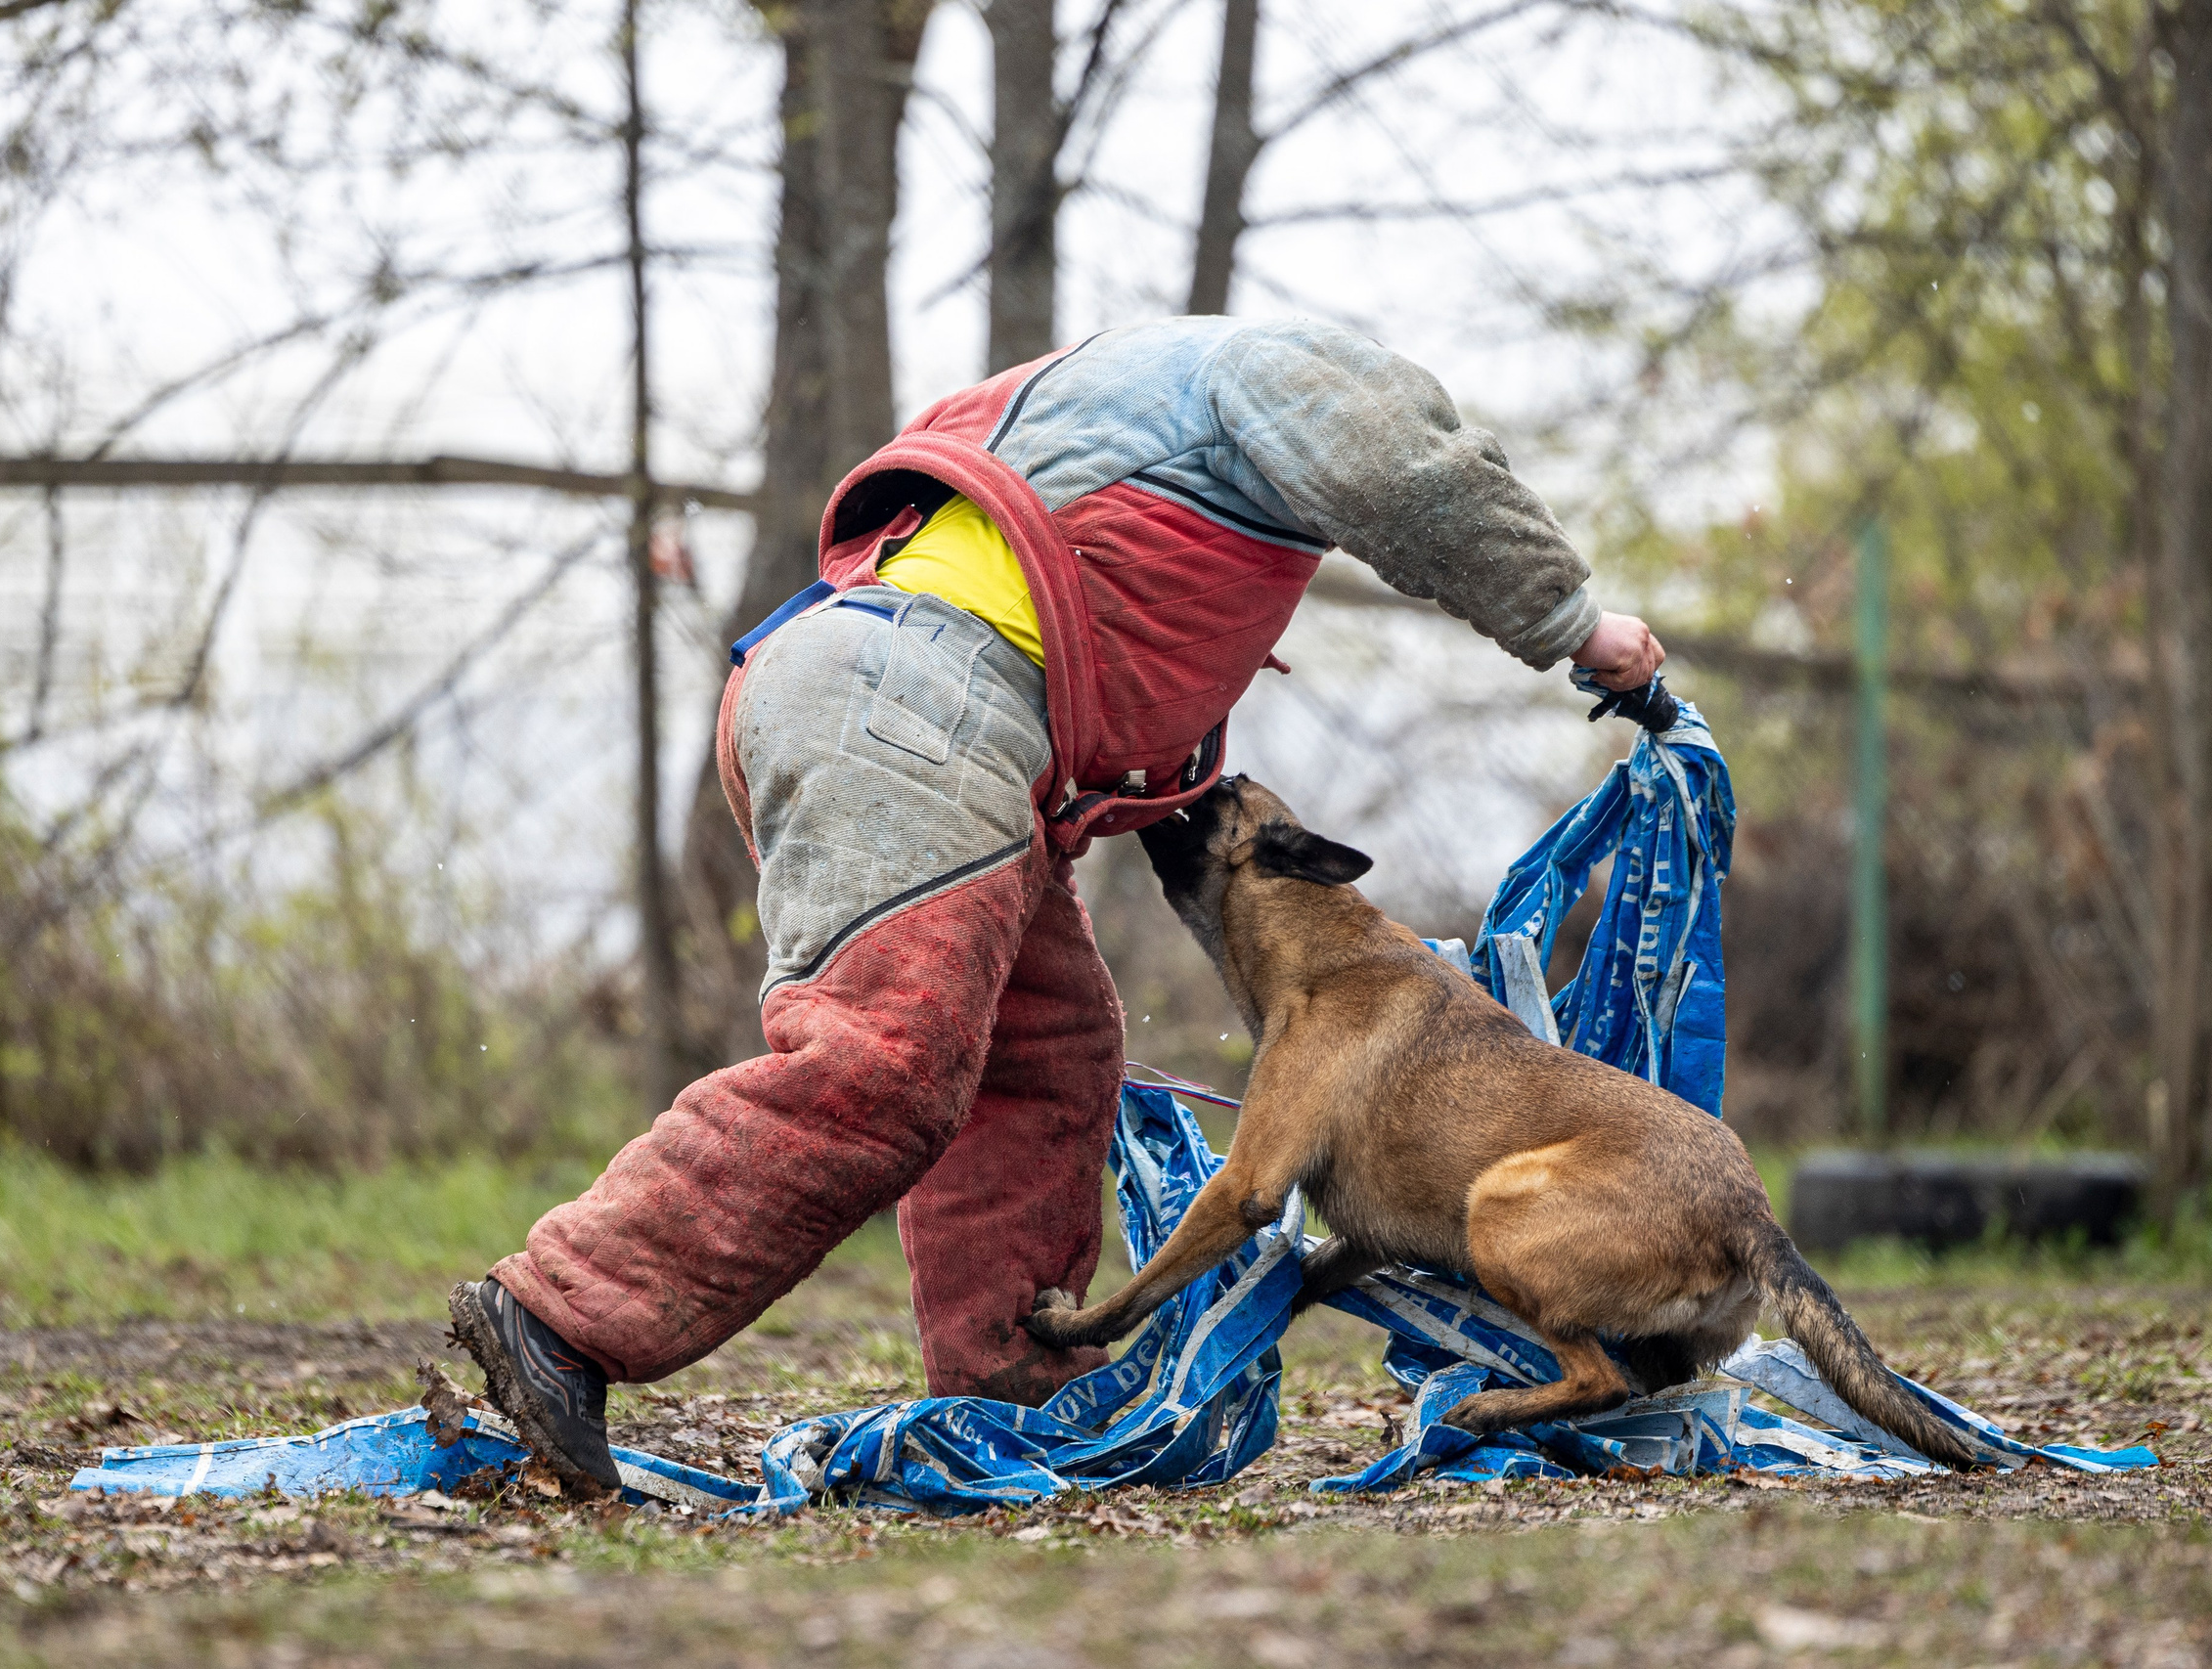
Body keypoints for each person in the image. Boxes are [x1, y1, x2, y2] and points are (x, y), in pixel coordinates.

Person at [446, 316, 1665, 1495]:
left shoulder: (1123, 387)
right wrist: (1576, 627)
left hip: (891, 697)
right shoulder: (1285, 369)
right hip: (915, 708)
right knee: (884, 1064)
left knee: (1048, 1051)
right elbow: (1410, 477)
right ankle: (561, 1316)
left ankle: (1009, 1388)